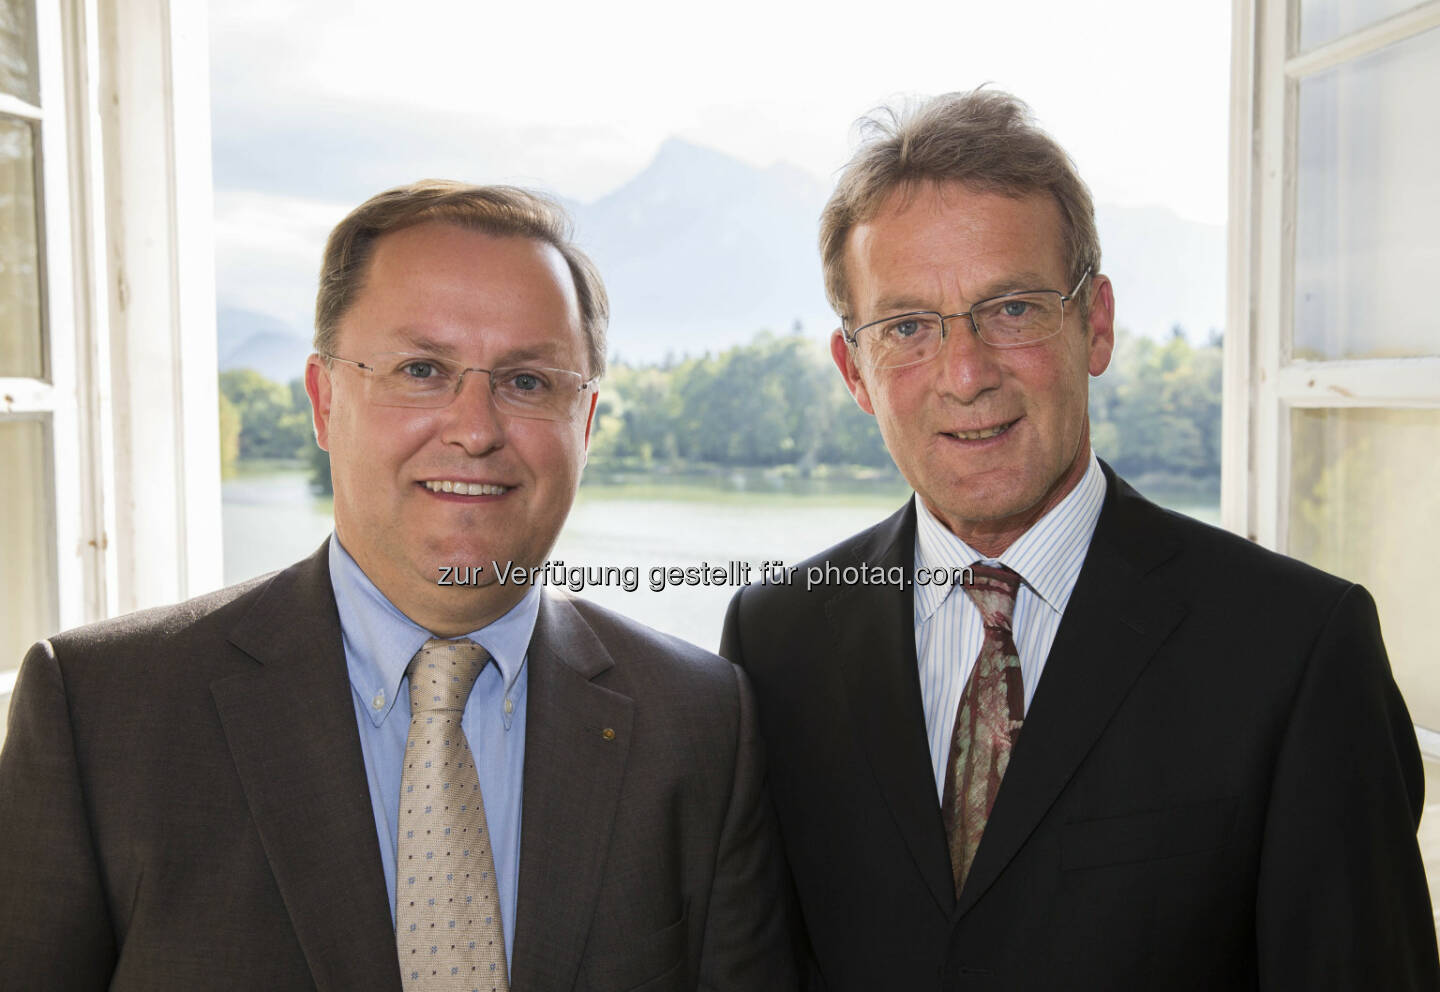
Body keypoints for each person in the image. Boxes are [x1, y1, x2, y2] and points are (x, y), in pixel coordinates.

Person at [720, 89, 1440, 990]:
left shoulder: (1296, 649)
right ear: (854, 372)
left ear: (1094, 324)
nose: (966, 372)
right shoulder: (774, 639)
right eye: (906, 327)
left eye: (1012, 309)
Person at [0, 180, 795, 991]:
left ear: (584, 425)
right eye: (422, 369)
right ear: (324, 399)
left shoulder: (700, 724)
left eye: (527, 382)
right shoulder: (99, 713)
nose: (476, 429)